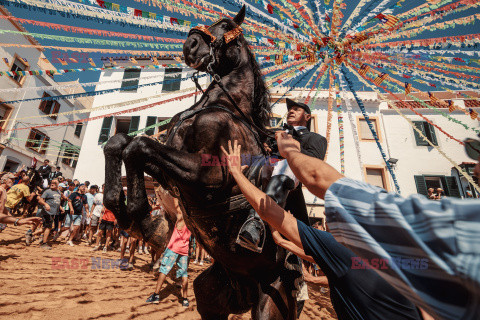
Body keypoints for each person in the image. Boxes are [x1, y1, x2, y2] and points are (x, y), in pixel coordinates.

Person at [233, 131, 480, 320]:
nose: (476, 168)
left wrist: (242, 171)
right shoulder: (401, 262)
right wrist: (290, 248)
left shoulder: (346, 251)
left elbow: (314, 182)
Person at [238, 98, 327, 253]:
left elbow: (314, 163)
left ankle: (256, 223)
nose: (291, 111)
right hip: (264, 169)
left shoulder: (316, 138)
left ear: (307, 117)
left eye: (297, 109)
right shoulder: (273, 133)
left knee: (285, 164)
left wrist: (290, 146)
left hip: (291, 177)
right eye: (290, 109)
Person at [146, 197, 191, 307]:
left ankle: (156, 295)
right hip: (184, 249)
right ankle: (185, 299)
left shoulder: (181, 215)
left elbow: (176, 205)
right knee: (184, 274)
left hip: (173, 248)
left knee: (164, 270)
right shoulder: (192, 219)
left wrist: (174, 194)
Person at [37, 179, 62, 250]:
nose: (52, 183)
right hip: (47, 212)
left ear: (58, 185)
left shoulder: (58, 192)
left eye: (55, 183)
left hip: (54, 212)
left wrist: (60, 208)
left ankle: (31, 234)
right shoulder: (47, 191)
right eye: (52, 183)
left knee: (45, 227)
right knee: (48, 227)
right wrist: (45, 204)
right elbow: (40, 200)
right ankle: (44, 243)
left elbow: (57, 201)